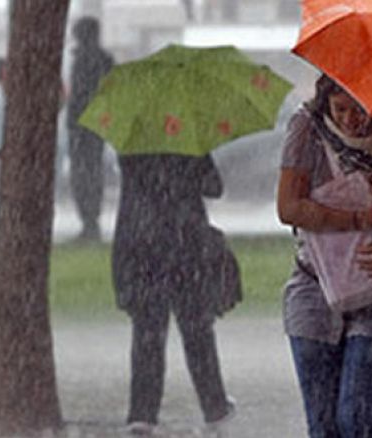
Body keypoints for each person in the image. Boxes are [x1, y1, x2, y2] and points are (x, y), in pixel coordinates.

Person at [276, 74, 372, 437]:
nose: (350, 119)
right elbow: (289, 207)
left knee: (357, 419)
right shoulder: (307, 129)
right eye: (339, 108)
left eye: (360, 109)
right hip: (315, 286)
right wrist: (358, 218)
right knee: (324, 424)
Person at [112, 153, 237, 436]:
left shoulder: (131, 149)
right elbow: (214, 187)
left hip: (141, 245)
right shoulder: (188, 143)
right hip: (186, 246)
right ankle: (214, 404)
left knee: (147, 332)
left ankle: (142, 413)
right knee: (197, 330)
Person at [66, 16, 114, 242]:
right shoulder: (105, 59)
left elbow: (80, 95)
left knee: (83, 174)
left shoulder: (84, 59)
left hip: (82, 125)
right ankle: (90, 220)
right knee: (91, 172)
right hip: (96, 124)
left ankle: (89, 221)